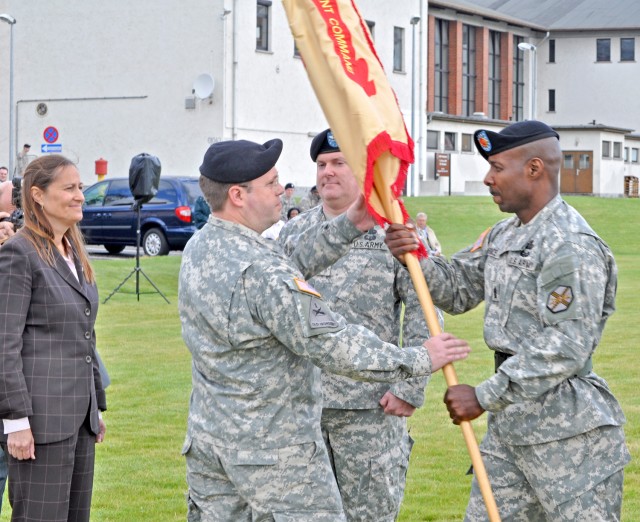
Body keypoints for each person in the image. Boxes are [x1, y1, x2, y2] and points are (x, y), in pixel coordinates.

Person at [179, 138, 471, 521]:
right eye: (271, 184)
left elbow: (289, 263)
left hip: (213, 440)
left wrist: (351, 223)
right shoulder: (262, 270)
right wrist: (418, 359)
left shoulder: (203, 248)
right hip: (273, 452)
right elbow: (332, 342)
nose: (281, 193)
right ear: (237, 195)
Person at [385, 120, 630, 521]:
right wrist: (414, 255)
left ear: (534, 169)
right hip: (511, 429)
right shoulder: (504, 235)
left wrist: (483, 396)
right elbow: (457, 289)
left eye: (497, 167)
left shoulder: (569, 244)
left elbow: (566, 345)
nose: (487, 178)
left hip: (569, 435)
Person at [280, 128, 442, 521]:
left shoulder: (396, 230)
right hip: (303, 405)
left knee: (369, 513)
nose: (327, 172)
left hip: (370, 407)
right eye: (321, 165)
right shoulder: (295, 232)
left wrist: (409, 387)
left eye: (339, 163)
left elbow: (425, 309)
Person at [0, 155, 107, 521]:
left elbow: (83, 335)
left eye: (80, 187)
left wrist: (94, 407)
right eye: (70, 188)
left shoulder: (73, 251)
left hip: (78, 419)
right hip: (38, 424)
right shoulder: (19, 253)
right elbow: (4, 345)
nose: (80, 196)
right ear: (38, 196)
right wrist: (15, 422)